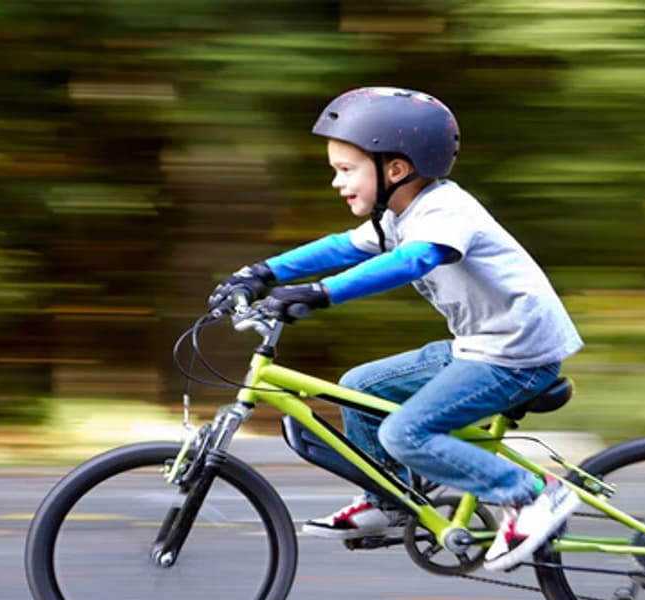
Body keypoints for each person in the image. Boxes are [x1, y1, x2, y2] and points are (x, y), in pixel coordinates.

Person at [207, 87, 584, 571]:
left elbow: (416, 259)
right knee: (358, 389)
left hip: (517, 355)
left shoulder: (446, 211)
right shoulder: (398, 215)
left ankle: (534, 495)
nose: (336, 183)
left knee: (406, 434)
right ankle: (388, 502)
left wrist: (323, 294)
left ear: (396, 170)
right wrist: (262, 273)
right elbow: (342, 247)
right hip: (478, 347)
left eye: (346, 170)